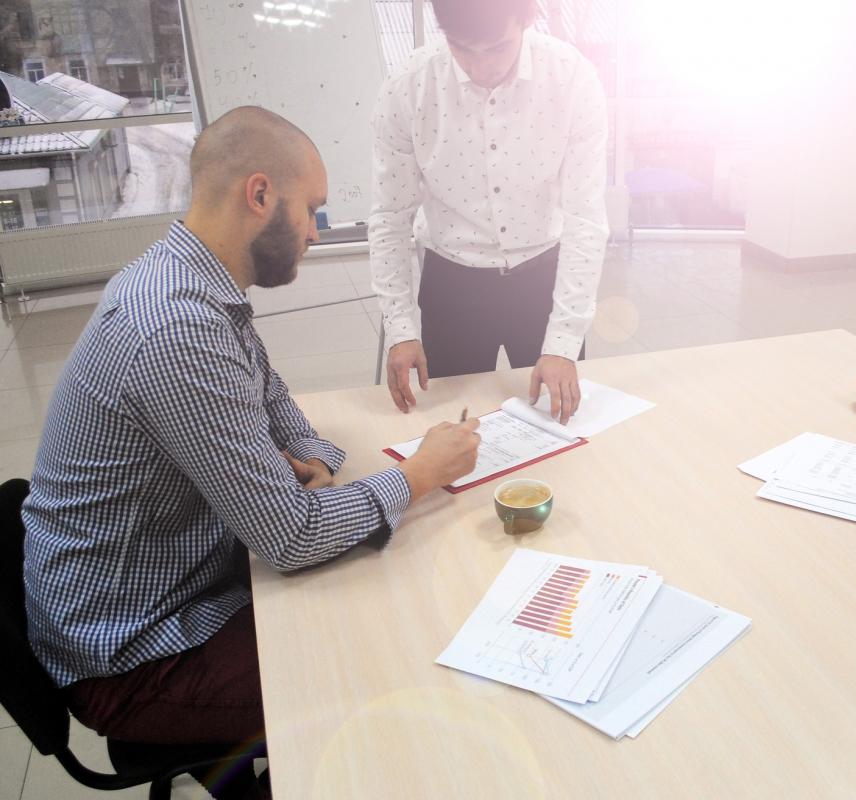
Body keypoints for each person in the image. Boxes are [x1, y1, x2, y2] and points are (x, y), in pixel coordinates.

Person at [20, 107, 480, 797]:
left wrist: (313, 462)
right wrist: (417, 475)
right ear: (260, 194)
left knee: (367, 587)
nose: (315, 232)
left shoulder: (190, 279)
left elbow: (273, 401)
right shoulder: (176, 327)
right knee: (393, 663)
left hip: (170, 577)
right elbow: (291, 538)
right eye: (312, 211)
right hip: (132, 653)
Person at [369, 0, 609, 425]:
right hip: (452, 284)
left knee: (559, 428)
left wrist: (563, 341)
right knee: (448, 430)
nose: (480, 68)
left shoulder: (571, 78)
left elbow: (585, 219)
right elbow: (390, 218)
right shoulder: (408, 88)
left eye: (497, 48)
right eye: (462, 48)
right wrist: (401, 329)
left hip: (545, 280)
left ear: (527, 18)